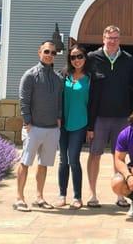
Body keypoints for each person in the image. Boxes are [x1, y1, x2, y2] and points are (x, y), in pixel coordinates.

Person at [86, 25, 133, 208]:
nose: (112, 41)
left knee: (119, 158)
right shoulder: (92, 58)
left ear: (120, 39)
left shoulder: (128, 59)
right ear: (103, 38)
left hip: (122, 117)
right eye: (109, 37)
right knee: (94, 155)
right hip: (99, 117)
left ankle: (120, 195)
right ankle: (92, 195)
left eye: (116, 37)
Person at [14, 40, 63, 212]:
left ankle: (39, 197)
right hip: (33, 128)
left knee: (43, 164)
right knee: (25, 162)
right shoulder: (30, 75)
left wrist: (58, 118)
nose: (50, 55)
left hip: (51, 129)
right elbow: (23, 100)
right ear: (40, 52)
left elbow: (59, 101)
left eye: (53, 53)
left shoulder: (58, 78)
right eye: (47, 52)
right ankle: (19, 198)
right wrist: (27, 122)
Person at [55, 44, 90, 209]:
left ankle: (77, 196)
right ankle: (62, 195)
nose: (77, 60)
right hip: (63, 123)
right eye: (73, 57)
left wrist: (91, 127)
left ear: (85, 57)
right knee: (63, 160)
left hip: (80, 122)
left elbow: (93, 103)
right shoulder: (63, 75)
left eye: (80, 56)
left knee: (74, 160)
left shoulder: (91, 78)